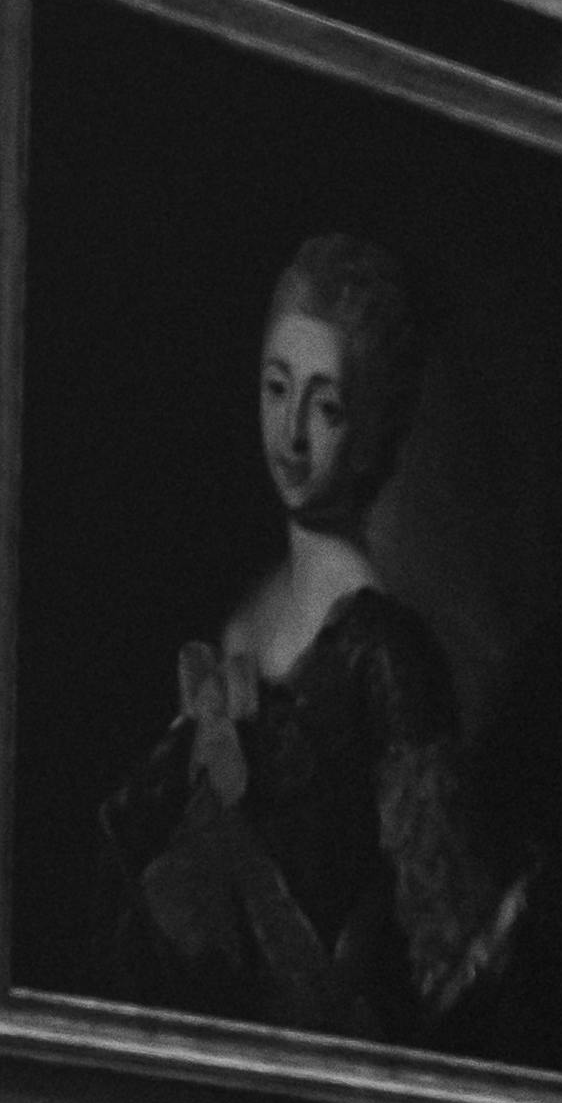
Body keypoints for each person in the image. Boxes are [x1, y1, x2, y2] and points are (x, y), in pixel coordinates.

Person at [98, 231, 532, 1050]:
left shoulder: (388, 655)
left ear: (370, 429)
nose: (291, 433)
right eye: (276, 388)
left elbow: (442, 954)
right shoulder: (236, 624)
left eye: (326, 406)